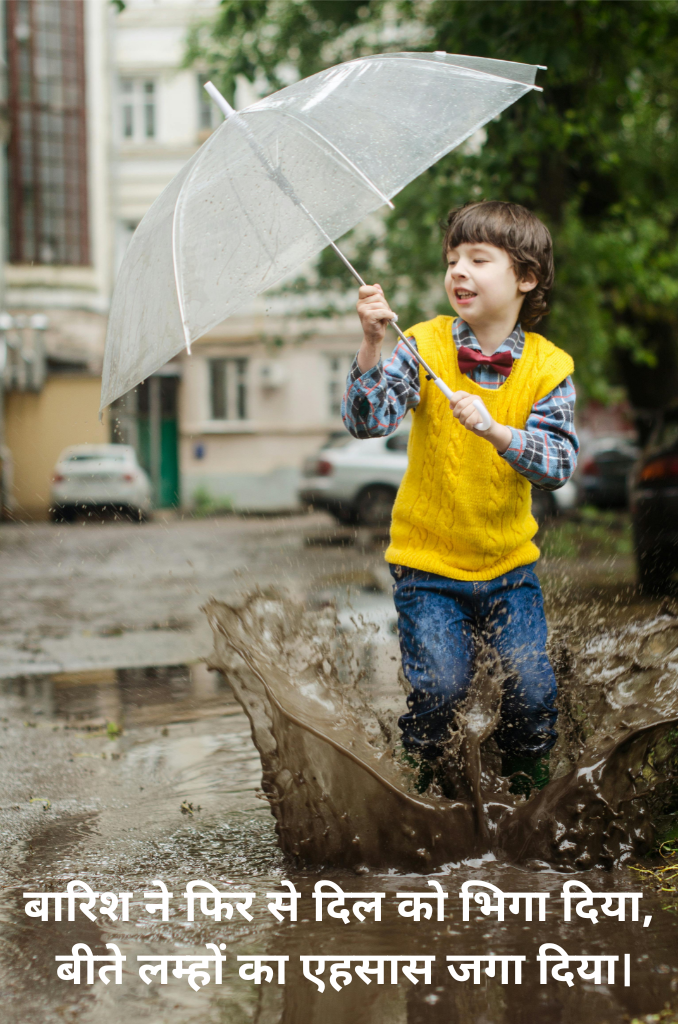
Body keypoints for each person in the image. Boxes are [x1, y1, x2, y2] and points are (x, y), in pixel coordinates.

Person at [341, 200, 578, 796]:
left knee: (532, 689)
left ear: (525, 278)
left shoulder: (549, 368)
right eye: (452, 260)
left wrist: (496, 431)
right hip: (427, 566)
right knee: (441, 690)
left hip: (508, 566)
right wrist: (372, 345)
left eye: (478, 259)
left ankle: (529, 799)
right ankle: (424, 796)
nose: (458, 273)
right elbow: (367, 421)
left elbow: (558, 466)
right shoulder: (422, 345)